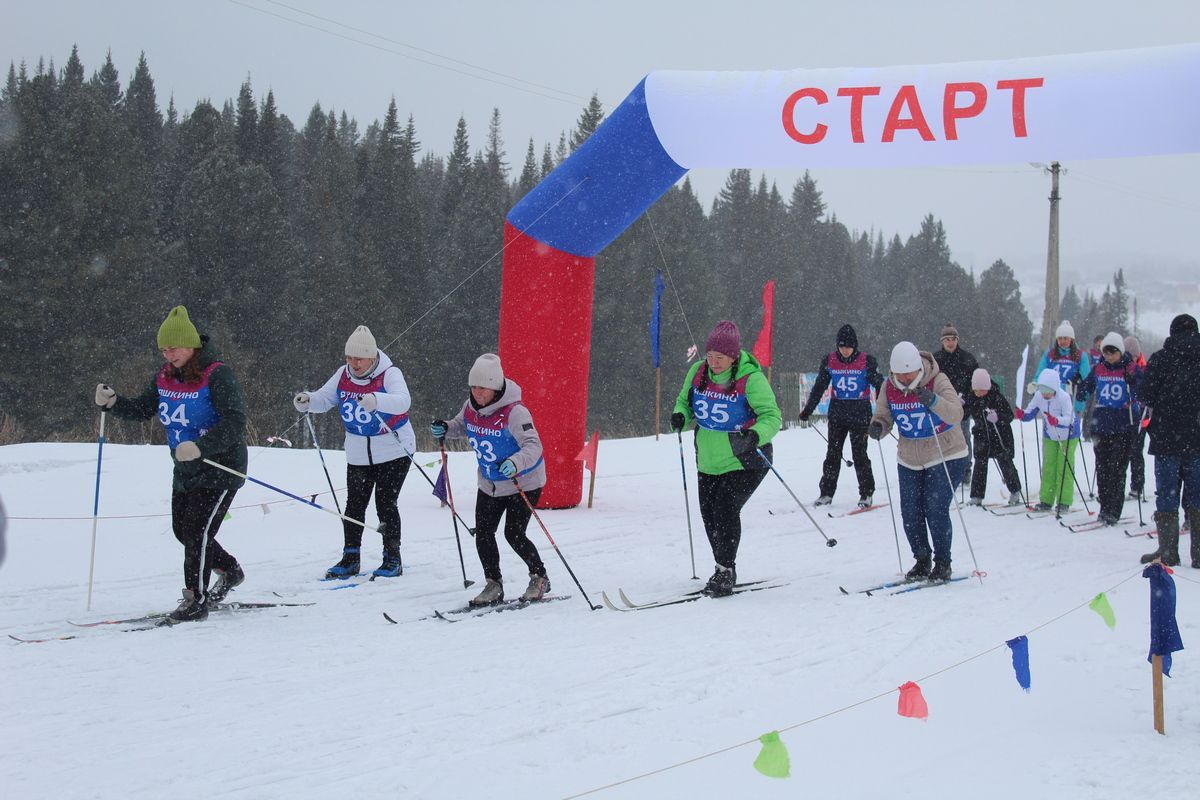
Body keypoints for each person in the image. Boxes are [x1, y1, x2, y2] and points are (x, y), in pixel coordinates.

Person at [95, 306, 247, 621]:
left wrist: (201, 447)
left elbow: (235, 422)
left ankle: (195, 600)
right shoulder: (165, 377)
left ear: (191, 345)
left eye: (174, 348)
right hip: (185, 468)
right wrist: (115, 403)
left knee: (195, 532)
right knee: (183, 531)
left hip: (220, 467)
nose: (169, 354)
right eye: (164, 349)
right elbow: (143, 408)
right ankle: (230, 570)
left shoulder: (218, 374)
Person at [671, 320, 781, 596]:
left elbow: (772, 417)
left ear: (733, 356)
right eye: (709, 357)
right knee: (709, 515)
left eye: (719, 358)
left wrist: (755, 435)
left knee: (725, 510)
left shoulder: (750, 379)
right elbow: (684, 402)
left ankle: (724, 570)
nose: (713, 363)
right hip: (708, 459)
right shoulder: (698, 373)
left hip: (745, 460)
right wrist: (680, 416)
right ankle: (723, 568)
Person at [430, 353, 550, 606]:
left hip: (523, 482)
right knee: (483, 533)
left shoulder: (515, 412)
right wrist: (446, 428)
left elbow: (533, 446)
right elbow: (461, 426)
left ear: (495, 387)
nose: (477, 393)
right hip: (489, 482)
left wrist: (515, 462)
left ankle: (539, 576)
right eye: (473, 387)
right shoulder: (470, 406)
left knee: (513, 533)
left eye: (482, 388)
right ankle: (493, 584)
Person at [294, 325, 412, 580]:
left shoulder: (390, 373)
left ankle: (392, 559)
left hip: (393, 449)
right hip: (358, 451)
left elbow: (403, 401)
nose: (353, 363)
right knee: (354, 505)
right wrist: (308, 400)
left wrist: (377, 400)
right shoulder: (343, 374)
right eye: (349, 357)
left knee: (385, 503)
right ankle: (350, 558)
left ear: (372, 357)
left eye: (359, 358)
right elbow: (325, 398)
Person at [869, 341, 968, 582]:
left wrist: (933, 401)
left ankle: (943, 562)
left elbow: (957, 414)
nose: (903, 379)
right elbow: (884, 415)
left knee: (934, 508)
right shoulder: (888, 387)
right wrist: (878, 426)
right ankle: (922, 560)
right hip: (910, 458)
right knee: (910, 512)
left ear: (918, 369)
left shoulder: (938, 380)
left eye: (908, 374)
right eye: (899, 375)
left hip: (946, 453)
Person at [1138, 314, 1200, 567]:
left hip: (1166, 438)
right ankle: (1198, 554)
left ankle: (1168, 552)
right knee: (1197, 495)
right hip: (1197, 439)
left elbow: (1146, 395)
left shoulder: (1160, 359)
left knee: (1167, 495)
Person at [797, 324, 882, 508]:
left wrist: (885, 411)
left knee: (859, 455)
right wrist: (808, 410)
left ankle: (866, 493)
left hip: (860, 414)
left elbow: (879, 385)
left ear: (855, 346)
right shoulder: (830, 361)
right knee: (833, 454)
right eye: (842, 346)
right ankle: (826, 493)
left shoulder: (867, 361)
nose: (845, 350)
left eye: (848, 346)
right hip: (838, 415)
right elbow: (820, 386)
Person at [1075, 333, 1138, 525]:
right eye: (1106, 352)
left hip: (1123, 426)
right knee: (1102, 469)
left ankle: (1114, 510)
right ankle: (1105, 508)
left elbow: (1143, 390)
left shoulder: (1130, 368)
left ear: (1120, 351)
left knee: (1117, 469)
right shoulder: (1099, 368)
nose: (1109, 356)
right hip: (1101, 425)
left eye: (1113, 352)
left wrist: (1133, 382)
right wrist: (1079, 384)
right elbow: (1085, 390)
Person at [1014, 368, 1080, 513]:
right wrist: (1022, 414)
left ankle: (1063, 501)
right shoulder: (1039, 396)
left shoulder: (1063, 397)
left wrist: (1056, 420)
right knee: (1049, 467)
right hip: (1050, 435)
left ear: (1055, 388)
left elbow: (1070, 419)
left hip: (1068, 436)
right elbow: (1030, 413)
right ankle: (1046, 500)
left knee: (1063, 468)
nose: (1045, 394)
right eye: (1042, 390)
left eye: (1048, 391)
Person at [964, 368, 1024, 506]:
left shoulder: (997, 397)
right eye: (976, 390)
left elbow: (1009, 415)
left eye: (982, 390)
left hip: (1000, 436)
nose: (979, 393)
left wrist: (998, 417)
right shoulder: (971, 397)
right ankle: (976, 496)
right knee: (980, 465)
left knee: (1006, 463)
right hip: (981, 436)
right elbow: (964, 414)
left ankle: (1015, 491)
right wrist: (959, 406)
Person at [933, 324, 979, 484]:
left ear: (957, 340)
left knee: (964, 439)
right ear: (942, 341)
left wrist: (965, 397)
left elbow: (976, 382)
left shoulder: (968, 359)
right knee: (942, 439)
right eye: (947, 340)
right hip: (941, 408)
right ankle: (945, 469)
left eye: (952, 339)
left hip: (962, 409)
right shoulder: (936, 359)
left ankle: (966, 470)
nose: (950, 343)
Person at [1036, 320, 1091, 402]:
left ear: (1071, 340)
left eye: (1065, 338)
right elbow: (1040, 372)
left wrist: (1081, 386)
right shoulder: (1049, 354)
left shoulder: (1080, 355)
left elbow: (1086, 377)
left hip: (1072, 397)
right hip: (1052, 395)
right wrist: (1036, 385)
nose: (1062, 341)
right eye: (1060, 339)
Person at [1123, 335, 1148, 500]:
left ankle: (1137, 486)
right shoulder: (1122, 367)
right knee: (1123, 452)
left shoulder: (1144, 368)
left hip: (1141, 417)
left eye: (1133, 355)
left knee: (1136, 452)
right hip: (1124, 417)